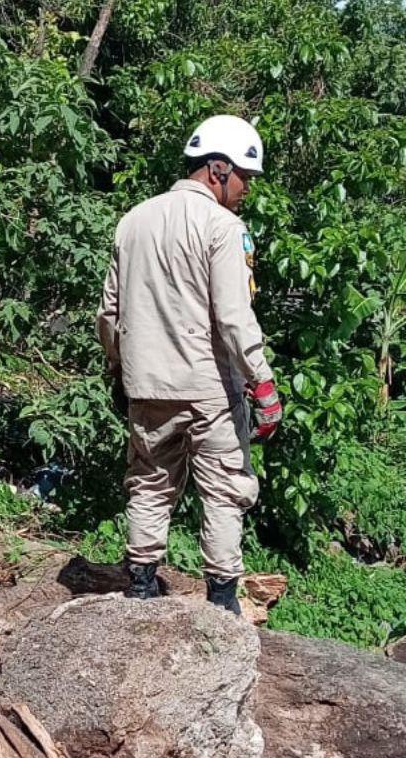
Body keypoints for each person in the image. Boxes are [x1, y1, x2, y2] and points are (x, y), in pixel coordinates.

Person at [95, 114, 282, 614]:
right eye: (245, 177)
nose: (248, 189)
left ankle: (140, 586)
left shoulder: (133, 220)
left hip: (146, 381)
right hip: (208, 387)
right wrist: (262, 384)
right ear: (218, 169)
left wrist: (119, 369)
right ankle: (222, 603)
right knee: (223, 488)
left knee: (150, 480)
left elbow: (109, 312)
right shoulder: (223, 227)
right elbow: (234, 316)